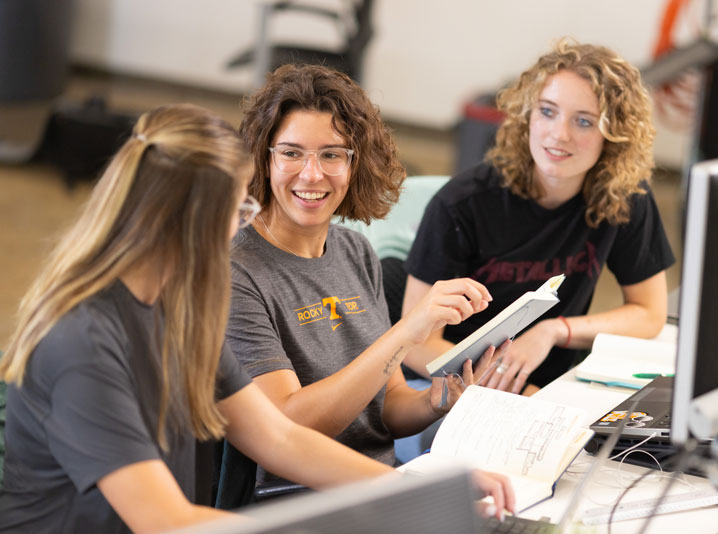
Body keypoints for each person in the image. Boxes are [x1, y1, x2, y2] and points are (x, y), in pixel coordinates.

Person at [0, 104, 514, 533]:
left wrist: (420, 491)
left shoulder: (182, 309)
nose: (242, 225)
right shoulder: (84, 341)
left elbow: (277, 437)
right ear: (190, 219)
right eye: (237, 209)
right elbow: (164, 521)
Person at [226, 64, 508, 486]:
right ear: (261, 159)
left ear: (355, 164)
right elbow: (286, 425)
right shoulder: (235, 271)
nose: (312, 173)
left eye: (332, 154)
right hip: (299, 499)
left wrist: (436, 403)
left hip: (383, 486)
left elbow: (388, 406)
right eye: (291, 152)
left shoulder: (353, 250)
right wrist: (407, 332)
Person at [402, 38, 676, 396]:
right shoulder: (462, 205)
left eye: (583, 121)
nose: (559, 135)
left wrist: (554, 331)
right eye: (547, 111)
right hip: (456, 385)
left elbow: (649, 312)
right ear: (527, 115)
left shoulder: (623, 197)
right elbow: (414, 343)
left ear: (614, 135)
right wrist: (513, 389)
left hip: (557, 384)